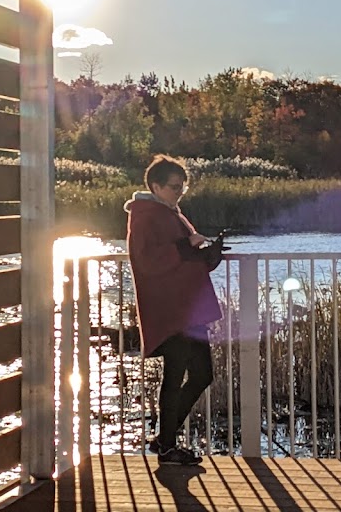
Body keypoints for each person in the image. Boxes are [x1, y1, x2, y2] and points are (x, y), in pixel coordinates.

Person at [124, 155, 228, 465]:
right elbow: (145, 260)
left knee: (201, 375)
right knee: (178, 376)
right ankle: (166, 444)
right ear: (155, 186)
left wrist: (211, 253)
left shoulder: (171, 213)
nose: (179, 192)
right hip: (170, 309)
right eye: (173, 187)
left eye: (182, 187)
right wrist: (187, 248)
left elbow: (185, 257)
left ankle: (165, 440)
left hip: (187, 308)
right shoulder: (144, 215)